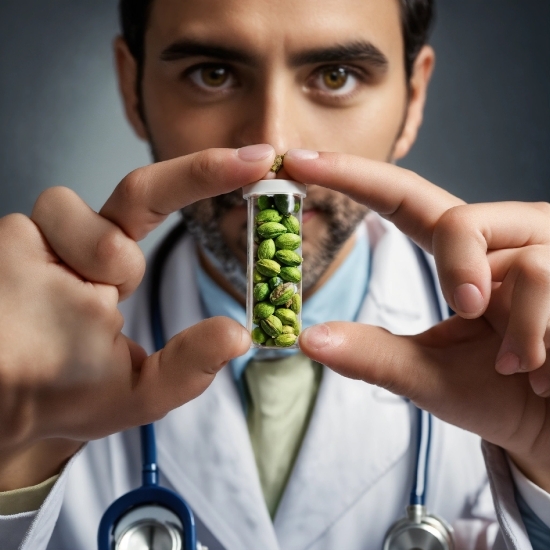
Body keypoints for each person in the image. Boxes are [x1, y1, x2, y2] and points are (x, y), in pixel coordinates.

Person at [0, 0, 549, 548]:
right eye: (212, 74)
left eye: (336, 76)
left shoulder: (518, 348)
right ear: (133, 87)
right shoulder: (35, 364)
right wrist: (11, 461)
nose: (274, 148)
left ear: (413, 96)